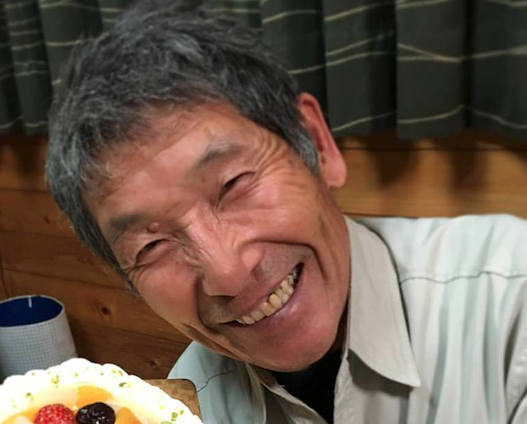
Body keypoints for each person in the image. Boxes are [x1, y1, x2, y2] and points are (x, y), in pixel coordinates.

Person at [46, 1, 527, 423]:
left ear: (317, 145)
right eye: (150, 246)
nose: (228, 274)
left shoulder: (511, 301)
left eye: (233, 184)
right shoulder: (193, 397)